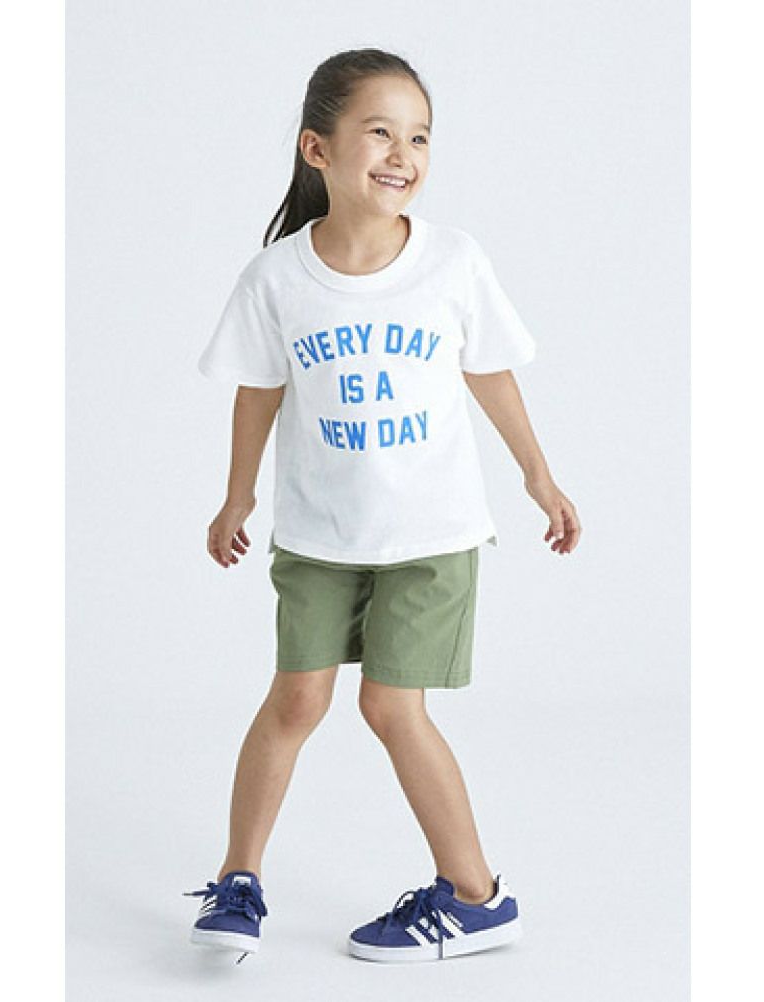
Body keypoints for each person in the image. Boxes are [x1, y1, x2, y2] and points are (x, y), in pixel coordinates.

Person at [184, 47, 582, 965]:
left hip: (430, 537)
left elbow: (490, 371)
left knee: (393, 709)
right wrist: (236, 496)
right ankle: (238, 881)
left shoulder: (452, 261)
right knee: (295, 701)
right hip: (319, 536)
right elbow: (257, 390)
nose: (403, 154)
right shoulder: (277, 278)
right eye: (381, 132)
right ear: (317, 149)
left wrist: (539, 476)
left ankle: (477, 896)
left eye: (420, 137)